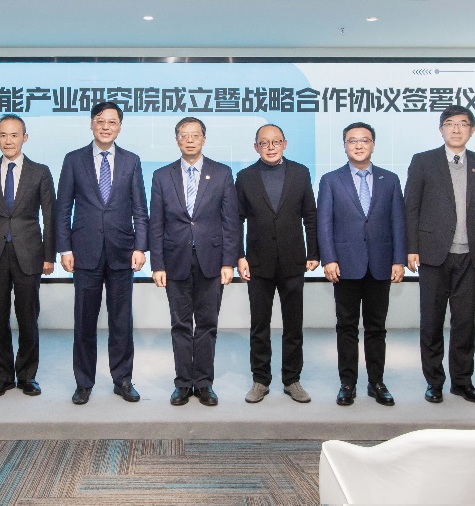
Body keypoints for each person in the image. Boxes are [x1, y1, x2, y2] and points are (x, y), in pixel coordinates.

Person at [404, 105, 475, 405]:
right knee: (431, 322)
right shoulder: (423, 161)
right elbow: (411, 207)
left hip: (471, 256)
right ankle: (434, 382)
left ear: (472, 130)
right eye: (450, 123)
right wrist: (411, 248)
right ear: (441, 129)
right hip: (434, 254)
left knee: (464, 323)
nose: (456, 129)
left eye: (463, 124)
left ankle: (462, 382)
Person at [55, 101, 148, 406]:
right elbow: (63, 208)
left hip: (122, 252)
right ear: (91, 124)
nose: (106, 126)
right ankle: (84, 382)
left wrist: (140, 247)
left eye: (112, 122)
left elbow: (140, 209)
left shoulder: (132, 161)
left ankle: (123, 380)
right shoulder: (73, 159)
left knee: (121, 322)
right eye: (100, 120)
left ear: (120, 126)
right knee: (84, 321)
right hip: (85, 252)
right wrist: (65, 248)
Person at [149, 117, 240, 407]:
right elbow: (156, 224)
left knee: (207, 323)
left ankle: (203, 383)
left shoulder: (222, 173)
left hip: (211, 260)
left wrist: (229, 262)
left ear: (204, 139)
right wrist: (157, 264)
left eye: (195, 135)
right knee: (180, 324)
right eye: (184, 135)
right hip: (174, 260)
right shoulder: (162, 176)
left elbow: (230, 222)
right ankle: (182, 384)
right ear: (177, 140)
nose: (190, 140)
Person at [318, 122, 406, 407]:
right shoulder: (331, 180)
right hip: (345, 265)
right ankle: (348, 383)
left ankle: (376, 382)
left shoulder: (390, 179)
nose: (358, 145)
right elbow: (324, 223)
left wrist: (399, 259)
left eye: (364, 140)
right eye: (352, 140)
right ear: (344, 145)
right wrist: (329, 258)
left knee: (376, 327)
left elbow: (398, 221)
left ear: (373, 145)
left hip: (381, 263)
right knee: (346, 326)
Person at [0, 114, 56, 399]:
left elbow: (50, 216)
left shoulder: (40, 171)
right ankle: (4, 376)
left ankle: (28, 376)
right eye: (3, 135)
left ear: (25, 138)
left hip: (29, 254)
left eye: (14, 135)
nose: (8, 140)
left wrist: (49, 255)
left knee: (28, 316)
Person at [236, 124, 318, 404]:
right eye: (264, 142)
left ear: (285, 144)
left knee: (293, 326)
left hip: (293, 261)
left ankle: (292, 380)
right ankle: (260, 380)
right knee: (259, 326)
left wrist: (314, 252)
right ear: (256, 147)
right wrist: (239, 255)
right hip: (258, 262)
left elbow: (310, 215)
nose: (270, 147)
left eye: (276, 142)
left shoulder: (300, 172)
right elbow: (236, 219)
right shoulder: (245, 177)